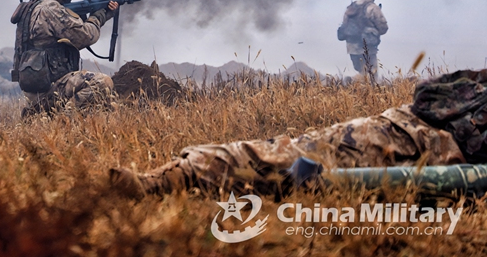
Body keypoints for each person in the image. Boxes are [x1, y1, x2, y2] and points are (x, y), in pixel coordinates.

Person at [110, 69, 487, 199]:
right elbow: (431, 95)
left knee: (297, 160)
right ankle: (176, 178)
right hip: (417, 134)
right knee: (294, 156)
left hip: (433, 145)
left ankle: (180, 177)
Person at [11, 0, 118, 116]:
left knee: (108, 107)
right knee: (101, 83)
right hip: (49, 88)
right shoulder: (51, 9)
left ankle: (39, 113)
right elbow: (86, 36)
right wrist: (101, 16)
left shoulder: (31, 6)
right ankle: (64, 121)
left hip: (37, 88)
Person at [337, 0, 388, 77]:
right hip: (368, 48)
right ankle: (353, 84)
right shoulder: (373, 8)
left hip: (352, 48)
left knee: (361, 72)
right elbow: (383, 28)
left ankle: (353, 85)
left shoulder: (351, 7)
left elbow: (345, 26)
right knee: (372, 77)